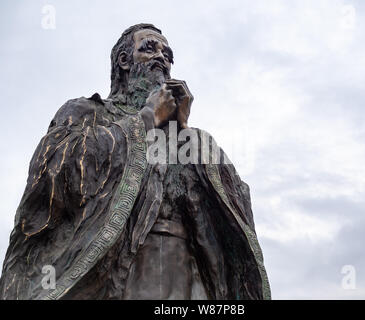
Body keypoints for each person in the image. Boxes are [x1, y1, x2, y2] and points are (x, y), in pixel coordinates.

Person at [0, 23, 271, 300]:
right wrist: (147, 119)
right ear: (124, 60)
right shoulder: (88, 111)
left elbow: (237, 202)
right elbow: (52, 172)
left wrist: (185, 131)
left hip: (191, 275)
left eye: (168, 55)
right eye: (150, 48)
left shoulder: (191, 138)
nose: (162, 58)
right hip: (119, 271)